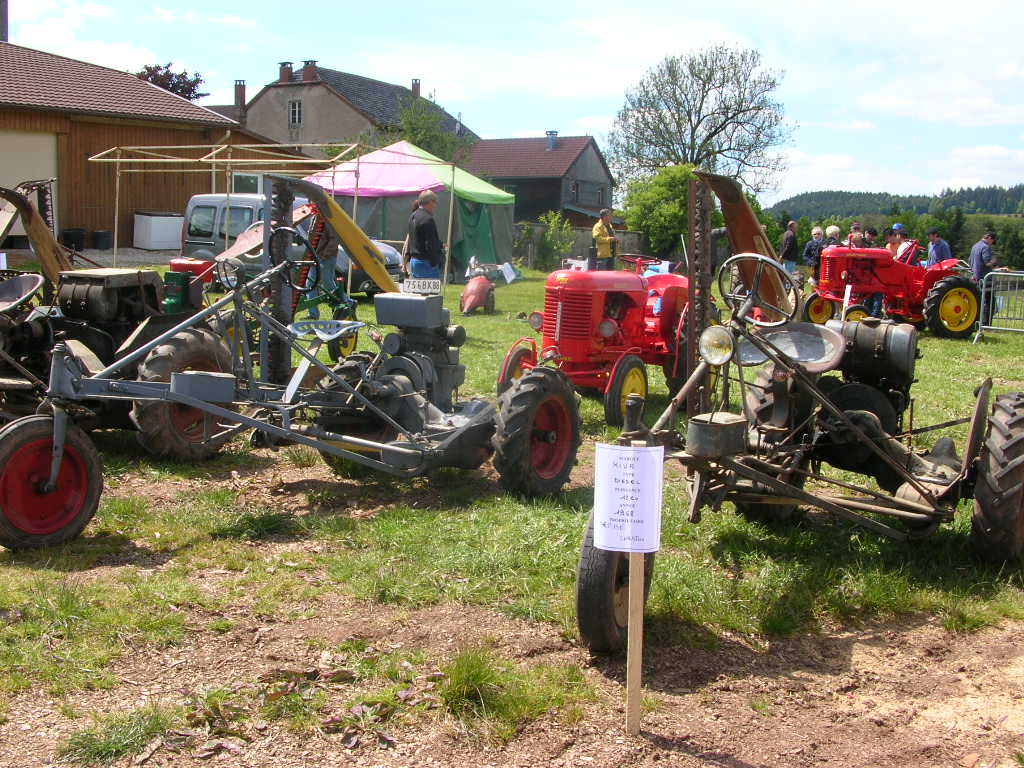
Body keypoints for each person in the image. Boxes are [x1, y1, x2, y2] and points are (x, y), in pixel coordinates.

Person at [407, 190, 444, 279]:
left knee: (416, 292)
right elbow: (430, 243)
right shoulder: (428, 219)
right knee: (431, 292)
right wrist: (435, 262)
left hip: (414, 261)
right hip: (426, 263)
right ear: (430, 202)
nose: (435, 206)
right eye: (434, 202)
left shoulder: (412, 216)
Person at [971, 232, 998, 324]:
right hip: (985, 279)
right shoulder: (986, 247)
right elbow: (987, 263)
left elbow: (970, 261)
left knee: (977, 301)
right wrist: (994, 261)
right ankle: (986, 324)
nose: (992, 244)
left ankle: (977, 322)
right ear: (990, 238)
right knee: (990, 302)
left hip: (975, 277)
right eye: (992, 242)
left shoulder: (975, 246)